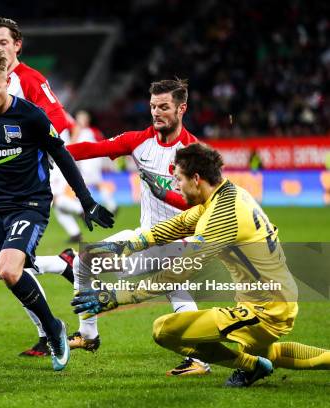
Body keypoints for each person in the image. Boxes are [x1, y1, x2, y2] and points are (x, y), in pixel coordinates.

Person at [72, 142, 330, 387]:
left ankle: (250, 366)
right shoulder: (228, 195)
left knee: (164, 330)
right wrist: (121, 246)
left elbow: (178, 273)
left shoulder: (220, 215)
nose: (177, 187)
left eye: (179, 180)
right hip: (274, 300)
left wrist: (117, 296)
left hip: (265, 309)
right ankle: (255, 364)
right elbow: (173, 227)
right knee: (269, 353)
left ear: (196, 178)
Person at [0, 47, 114, 380]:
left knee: (7, 270)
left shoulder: (32, 116)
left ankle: (54, 330)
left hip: (31, 205)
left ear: (7, 80)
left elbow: (61, 156)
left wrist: (86, 200)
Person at [34, 79, 210, 376]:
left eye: (164, 107)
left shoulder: (196, 154)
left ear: (182, 109)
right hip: (149, 238)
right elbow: (94, 148)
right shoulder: (140, 141)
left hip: (179, 242)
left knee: (169, 289)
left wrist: (164, 194)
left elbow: (206, 209)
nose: (157, 112)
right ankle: (90, 336)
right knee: (86, 263)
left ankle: (91, 336)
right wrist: (51, 149)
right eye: (153, 106)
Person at [0, 15, 82, 357]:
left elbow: (55, 123)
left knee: (11, 266)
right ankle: (63, 267)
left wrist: (29, 145)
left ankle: (48, 331)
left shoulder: (31, 81)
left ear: (17, 44)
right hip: (2, 188)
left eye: (2, 43)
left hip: (32, 180)